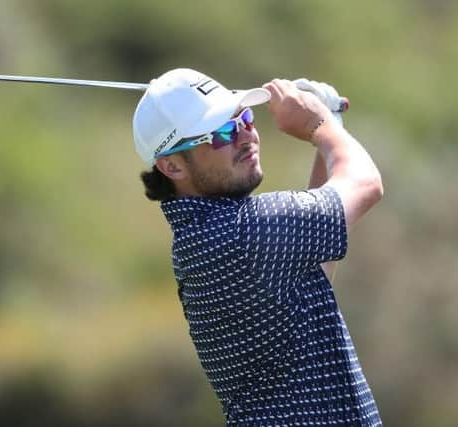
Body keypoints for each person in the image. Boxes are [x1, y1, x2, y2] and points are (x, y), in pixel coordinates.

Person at [133, 68, 383, 426]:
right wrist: (320, 125)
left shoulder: (203, 236)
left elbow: (316, 270)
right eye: (222, 133)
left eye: (245, 118)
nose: (245, 135)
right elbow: (365, 183)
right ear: (172, 165)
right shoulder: (242, 232)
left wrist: (331, 124)